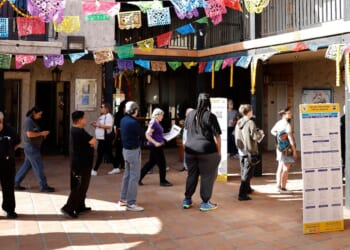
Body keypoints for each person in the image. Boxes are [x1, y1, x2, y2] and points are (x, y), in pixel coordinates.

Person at [182, 93, 221, 211]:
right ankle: (205, 202)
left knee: (191, 175)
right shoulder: (210, 116)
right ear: (208, 102)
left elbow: (186, 133)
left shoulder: (189, 115)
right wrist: (219, 152)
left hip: (190, 150)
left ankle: (187, 200)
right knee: (207, 176)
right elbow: (217, 136)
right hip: (207, 151)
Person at [61, 111, 96, 218]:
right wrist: (91, 144)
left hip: (83, 163)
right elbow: (93, 140)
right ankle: (68, 208)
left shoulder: (78, 130)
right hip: (80, 164)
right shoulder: (78, 131)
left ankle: (80, 205)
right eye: (84, 118)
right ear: (80, 120)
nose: (85, 120)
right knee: (79, 186)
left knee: (83, 186)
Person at [14, 106, 55, 192]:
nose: (40, 116)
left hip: (32, 147)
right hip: (32, 148)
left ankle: (15, 182)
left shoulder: (32, 121)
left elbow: (34, 133)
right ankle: (43, 186)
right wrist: (41, 133)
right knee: (39, 167)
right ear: (34, 113)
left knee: (26, 166)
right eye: (39, 114)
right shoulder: (28, 121)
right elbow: (29, 134)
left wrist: (42, 135)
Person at [118, 101, 145, 212]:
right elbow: (143, 135)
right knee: (134, 177)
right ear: (135, 110)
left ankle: (123, 199)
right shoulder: (134, 122)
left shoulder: (123, 120)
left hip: (125, 150)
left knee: (127, 175)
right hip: (133, 151)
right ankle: (131, 203)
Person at [235, 104, 264, 201]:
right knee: (247, 173)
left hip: (241, 150)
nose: (253, 112)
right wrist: (261, 133)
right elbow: (255, 137)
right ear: (249, 112)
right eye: (251, 110)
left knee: (244, 170)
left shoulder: (239, 121)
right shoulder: (250, 122)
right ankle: (242, 194)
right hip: (249, 151)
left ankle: (248, 188)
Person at [139, 108, 173, 187]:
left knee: (151, 163)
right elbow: (147, 134)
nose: (163, 117)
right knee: (162, 164)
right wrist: (156, 143)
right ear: (157, 115)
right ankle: (163, 181)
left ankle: (139, 178)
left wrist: (169, 134)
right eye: (162, 115)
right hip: (156, 146)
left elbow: (158, 134)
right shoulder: (154, 122)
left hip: (157, 146)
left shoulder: (156, 122)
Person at [270, 106, 298, 193]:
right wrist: (294, 151)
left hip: (279, 148)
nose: (291, 114)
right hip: (287, 149)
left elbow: (272, 131)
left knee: (280, 167)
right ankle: (283, 188)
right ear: (284, 114)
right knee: (286, 168)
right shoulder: (287, 125)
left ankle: (278, 186)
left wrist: (279, 137)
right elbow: (291, 139)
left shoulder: (279, 123)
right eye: (289, 113)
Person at [0, 111, 20, 219]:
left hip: (7, 164)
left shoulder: (10, 131)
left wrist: (9, 152)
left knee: (8, 187)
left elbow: (17, 143)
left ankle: (9, 210)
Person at [91, 102, 120, 176]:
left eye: (102, 107)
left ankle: (95, 170)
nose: (101, 108)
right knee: (108, 153)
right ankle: (116, 167)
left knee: (100, 154)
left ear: (106, 109)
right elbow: (101, 125)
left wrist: (98, 125)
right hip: (101, 138)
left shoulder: (109, 116)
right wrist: (95, 125)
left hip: (105, 138)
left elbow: (109, 126)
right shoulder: (102, 116)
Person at [112, 100, 127, 172]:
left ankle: (122, 164)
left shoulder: (127, 114)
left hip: (125, 134)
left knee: (122, 150)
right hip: (120, 133)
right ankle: (116, 165)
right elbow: (116, 124)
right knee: (119, 150)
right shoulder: (118, 114)